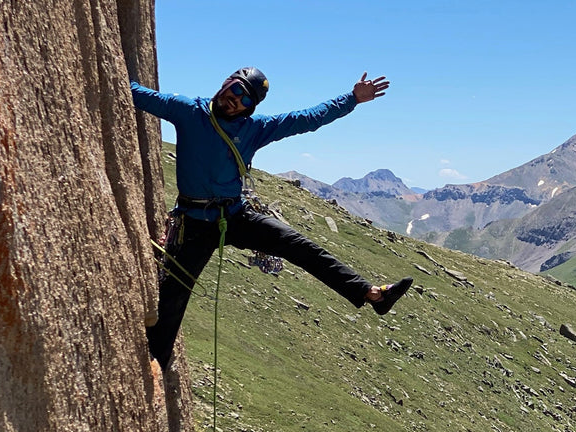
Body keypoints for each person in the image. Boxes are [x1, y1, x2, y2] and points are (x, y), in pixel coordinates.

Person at [131, 67, 411, 366]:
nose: (235, 101)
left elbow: (306, 119)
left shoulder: (255, 128)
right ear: (226, 84)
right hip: (194, 223)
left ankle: (371, 294)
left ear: (252, 108)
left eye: (246, 101)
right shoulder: (189, 111)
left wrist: (351, 99)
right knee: (174, 295)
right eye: (235, 91)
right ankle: (153, 365)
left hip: (235, 215)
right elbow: (137, 94)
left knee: (297, 245)